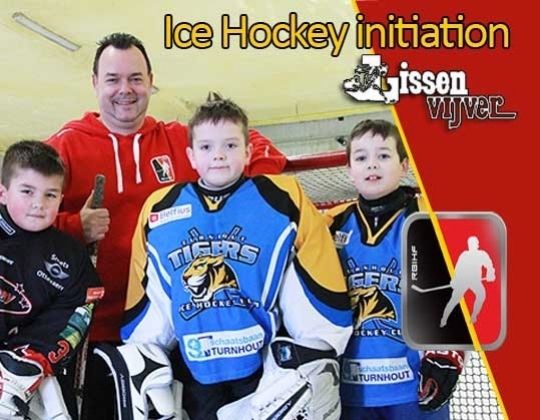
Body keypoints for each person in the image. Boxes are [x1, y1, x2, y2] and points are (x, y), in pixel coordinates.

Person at [46, 33, 286, 417]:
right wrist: (74, 226)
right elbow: (16, 214)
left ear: (151, 81)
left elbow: (258, 147)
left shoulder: (178, 140)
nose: (125, 90)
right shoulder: (67, 146)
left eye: (136, 78)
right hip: (97, 333)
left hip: (179, 327)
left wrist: (248, 195)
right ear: (94, 84)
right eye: (113, 79)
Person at [120, 97, 352, 419]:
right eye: (206, 147)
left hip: (261, 370)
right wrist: (145, 348)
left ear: (247, 152)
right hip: (193, 370)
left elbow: (314, 274)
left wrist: (318, 344)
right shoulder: (159, 208)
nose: (217, 154)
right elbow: (150, 287)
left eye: (230, 145)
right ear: (191, 156)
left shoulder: (282, 199)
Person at [326, 120, 464, 419]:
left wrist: (449, 350)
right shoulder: (330, 227)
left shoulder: (427, 219)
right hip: (351, 390)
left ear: (404, 165)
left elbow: (457, 290)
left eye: (384, 155)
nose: (372, 164)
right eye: (361, 157)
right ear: (349, 169)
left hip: (414, 387)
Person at [0, 141, 102, 418]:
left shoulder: (71, 258)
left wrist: (28, 360)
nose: (38, 204)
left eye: (50, 195)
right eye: (27, 191)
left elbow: (76, 313)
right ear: (3, 193)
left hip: (21, 374)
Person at [440, 235, 495, 327]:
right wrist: (455, 281)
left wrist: (490, 274)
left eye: (475, 243)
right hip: (463, 280)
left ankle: (474, 316)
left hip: (475, 281)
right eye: (472, 244)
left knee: (481, 295)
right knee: (453, 300)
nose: (474, 245)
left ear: (477, 245)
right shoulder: (464, 255)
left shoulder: (481, 254)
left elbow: (489, 265)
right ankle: (444, 319)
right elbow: (457, 270)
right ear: (469, 245)